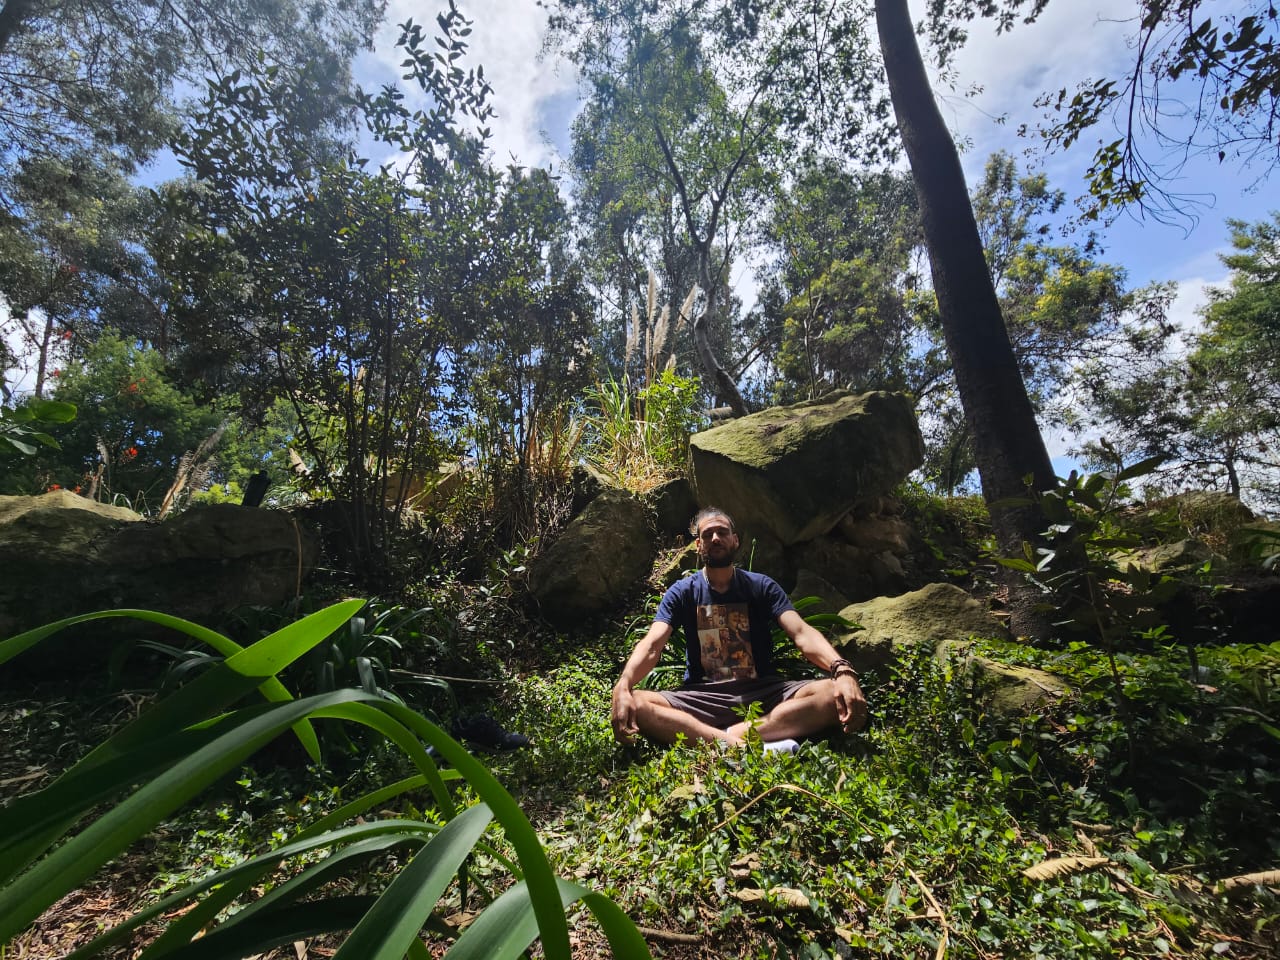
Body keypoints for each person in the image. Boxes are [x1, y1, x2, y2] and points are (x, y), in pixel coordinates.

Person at [611, 507, 868, 750]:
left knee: (834, 692)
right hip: (702, 696)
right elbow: (653, 644)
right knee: (638, 702)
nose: (715, 538)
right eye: (707, 534)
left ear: (735, 540)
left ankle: (730, 737)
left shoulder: (761, 586)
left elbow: (801, 632)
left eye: (722, 532)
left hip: (764, 692)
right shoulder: (682, 592)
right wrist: (623, 685)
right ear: (698, 545)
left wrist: (842, 669)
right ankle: (739, 744)